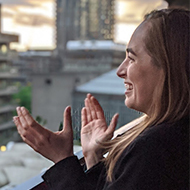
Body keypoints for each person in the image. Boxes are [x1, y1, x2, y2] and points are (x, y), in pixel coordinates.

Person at [13, 8, 189, 190]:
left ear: (168, 68)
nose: (120, 71)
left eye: (131, 58)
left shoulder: (154, 150)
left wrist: (62, 159)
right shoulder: (174, 136)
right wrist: (93, 157)